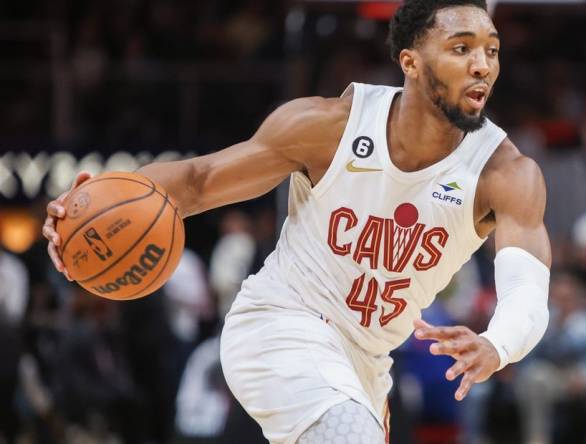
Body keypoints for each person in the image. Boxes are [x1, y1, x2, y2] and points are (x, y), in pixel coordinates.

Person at [41, 1, 552, 442]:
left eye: (492, 49)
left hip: (367, 363)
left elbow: (527, 292)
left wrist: (497, 343)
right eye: (462, 48)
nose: (483, 64)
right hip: (280, 322)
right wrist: (90, 207)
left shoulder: (504, 173)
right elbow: (197, 181)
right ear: (411, 62)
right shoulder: (330, 127)